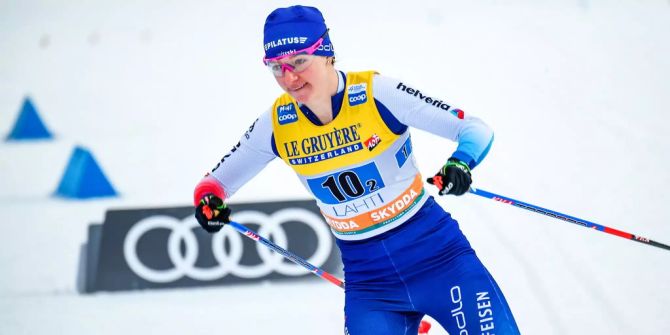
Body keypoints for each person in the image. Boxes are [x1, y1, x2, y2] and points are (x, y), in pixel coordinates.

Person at [193, 5, 520, 335]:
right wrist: (209, 201)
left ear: (326, 53)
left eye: (299, 62)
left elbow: (475, 130)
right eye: (277, 67)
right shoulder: (276, 125)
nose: (289, 77)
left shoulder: (377, 93)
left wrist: (460, 162)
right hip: (371, 284)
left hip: (441, 261)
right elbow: (214, 184)